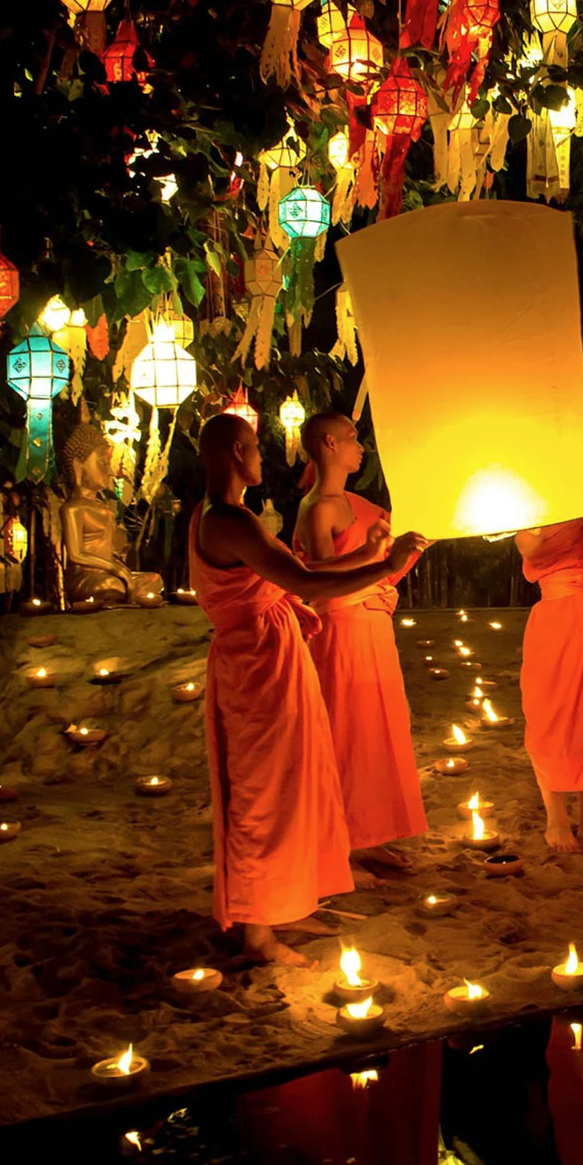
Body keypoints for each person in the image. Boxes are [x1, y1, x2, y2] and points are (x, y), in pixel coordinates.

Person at [190, 414, 426, 964]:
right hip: (256, 666)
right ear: (231, 454)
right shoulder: (227, 520)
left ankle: (292, 902)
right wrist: (384, 565)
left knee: (301, 782)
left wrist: (372, 557)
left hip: (274, 654)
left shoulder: (228, 516)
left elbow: (295, 575)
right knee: (263, 792)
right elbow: (307, 579)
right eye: (251, 448)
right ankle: (258, 933)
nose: (261, 458)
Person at [290, 412, 429, 888]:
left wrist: (402, 557)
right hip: (340, 629)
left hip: (373, 624)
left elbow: (383, 570)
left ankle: (366, 835)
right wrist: (373, 553)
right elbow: (319, 576)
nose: (360, 448)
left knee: (375, 732)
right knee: (344, 734)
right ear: (329, 443)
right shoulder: (318, 508)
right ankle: (336, 845)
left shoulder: (358, 503)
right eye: (352, 439)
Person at [517, 495, 583, 854]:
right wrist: (539, 511)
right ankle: (556, 819)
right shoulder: (533, 496)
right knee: (554, 713)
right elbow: (529, 548)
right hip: (559, 614)